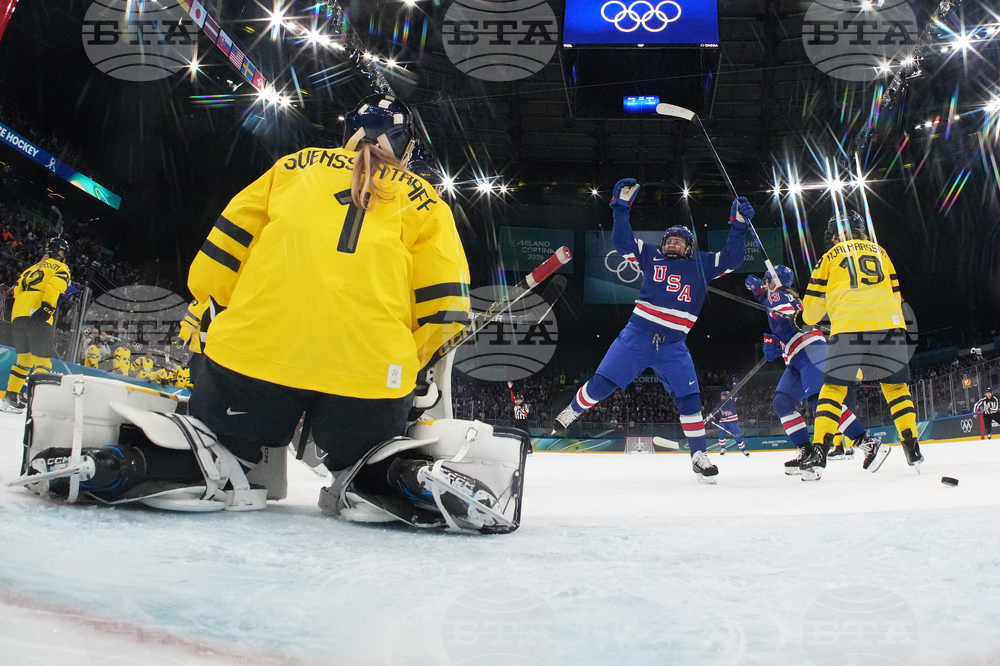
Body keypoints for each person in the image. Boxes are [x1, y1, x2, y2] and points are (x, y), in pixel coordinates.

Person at [183, 92, 471, 502]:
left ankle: (218, 461)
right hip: (367, 380)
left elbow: (220, 256)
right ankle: (369, 478)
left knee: (224, 439)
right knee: (367, 459)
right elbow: (447, 310)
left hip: (251, 360)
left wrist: (210, 323)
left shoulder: (290, 168)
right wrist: (411, 364)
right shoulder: (427, 201)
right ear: (405, 145)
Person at [553, 178, 752, 483]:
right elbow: (621, 243)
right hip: (637, 336)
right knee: (601, 385)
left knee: (690, 400)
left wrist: (738, 225)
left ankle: (699, 456)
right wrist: (621, 208)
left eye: (679, 241)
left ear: (689, 247)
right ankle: (573, 409)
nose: (672, 243)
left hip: (674, 345)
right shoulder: (650, 255)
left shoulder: (703, 263)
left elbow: (734, 258)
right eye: (669, 240)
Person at [793, 210, 922, 480]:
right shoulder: (881, 252)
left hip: (850, 327)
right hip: (890, 325)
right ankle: (912, 447)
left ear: (836, 234)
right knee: (896, 388)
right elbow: (896, 294)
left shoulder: (830, 256)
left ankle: (819, 450)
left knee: (833, 388)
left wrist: (802, 319)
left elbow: (814, 309)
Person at [746, 264, 885, 474]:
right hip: (798, 358)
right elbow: (786, 325)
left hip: (810, 352)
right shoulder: (782, 297)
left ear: (774, 282)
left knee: (822, 401)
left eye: (767, 281)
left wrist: (769, 326)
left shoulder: (776, 298)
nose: (764, 285)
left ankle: (867, 443)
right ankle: (806, 449)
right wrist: (775, 342)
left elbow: (787, 320)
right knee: (782, 403)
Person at [0, 237, 71, 413]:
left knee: (24, 359)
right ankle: (38, 403)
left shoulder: (31, 268)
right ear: (60, 252)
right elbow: (54, 287)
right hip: (38, 312)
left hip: (18, 314)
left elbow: (17, 291)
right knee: (43, 361)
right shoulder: (62, 268)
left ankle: (10, 398)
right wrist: (47, 308)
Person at [714, 390, 748, 457]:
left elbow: (735, 395)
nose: (722, 397)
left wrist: (735, 385)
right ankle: (723, 448)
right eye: (721, 396)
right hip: (723, 422)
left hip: (733, 421)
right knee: (721, 432)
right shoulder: (719, 404)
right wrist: (712, 418)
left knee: (736, 435)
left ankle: (743, 450)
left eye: (723, 396)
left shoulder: (731, 402)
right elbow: (715, 413)